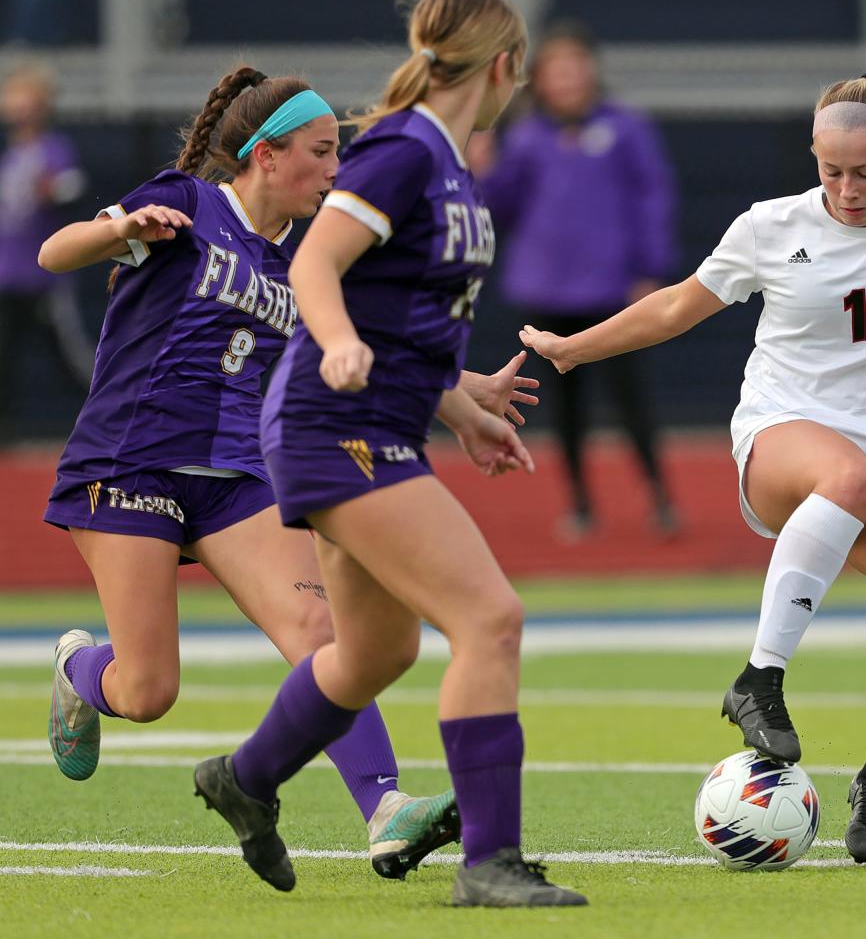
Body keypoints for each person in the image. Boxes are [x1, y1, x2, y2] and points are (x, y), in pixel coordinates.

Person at [521, 64, 866, 865]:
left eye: (865, 172)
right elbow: (677, 304)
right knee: (847, 477)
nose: (847, 189)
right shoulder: (770, 225)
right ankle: (759, 678)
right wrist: (573, 351)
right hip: (783, 436)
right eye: (831, 170)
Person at [39, 64, 537, 880]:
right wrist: (117, 227)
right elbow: (54, 252)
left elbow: (364, 347)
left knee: (322, 633)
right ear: (265, 157)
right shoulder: (189, 203)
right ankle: (77, 670)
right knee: (148, 692)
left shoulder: (301, 260)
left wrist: (461, 390)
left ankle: (385, 810)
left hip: (235, 475)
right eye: (321, 151)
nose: (336, 170)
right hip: (131, 463)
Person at [193, 0, 586, 907]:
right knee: (490, 617)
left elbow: (404, 317)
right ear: (506, 65)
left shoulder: (445, 159)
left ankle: (243, 780)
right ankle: (490, 863)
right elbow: (319, 263)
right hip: (337, 427)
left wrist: (462, 409)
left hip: (369, 426)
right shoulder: (407, 149)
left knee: (377, 654)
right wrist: (333, 345)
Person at [471, 20, 679, 539]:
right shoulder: (523, 135)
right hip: (547, 292)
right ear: (539, 79)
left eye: (574, 68)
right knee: (564, 408)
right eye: (554, 70)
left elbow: (653, 199)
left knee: (632, 399)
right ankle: (581, 504)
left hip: (612, 292)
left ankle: (659, 496)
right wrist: (482, 171)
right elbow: (500, 205)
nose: (565, 80)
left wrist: (649, 270)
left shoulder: (626, 128)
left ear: (591, 72)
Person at [0, 63, 94, 438]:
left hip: (43, 277)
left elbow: (71, 185)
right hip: (7, 277)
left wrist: (51, 189)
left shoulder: (53, 149)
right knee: (5, 356)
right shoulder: (10, 155)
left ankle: (106, 417)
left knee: (69, 357)